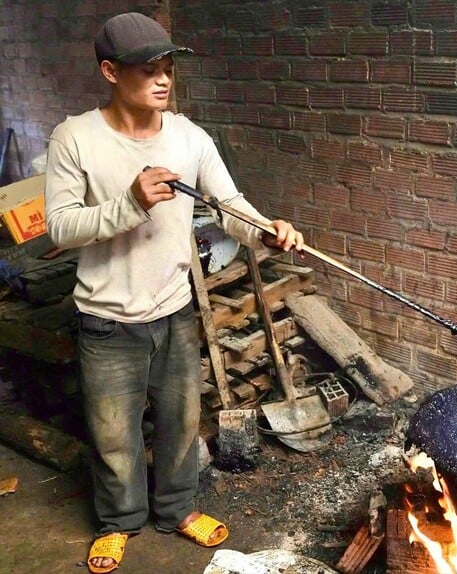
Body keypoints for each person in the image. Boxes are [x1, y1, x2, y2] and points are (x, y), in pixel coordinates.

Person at [44, 12, 304, 574]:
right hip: (106, 319)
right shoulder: (76, 138)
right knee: (113, 434)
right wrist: (130, 203)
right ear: (111, 72)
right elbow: (60, 227)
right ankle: (120, 521)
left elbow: (230, 207)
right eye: (147, 71)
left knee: (182, 421)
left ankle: (177, 510)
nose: (163, 80)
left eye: (167, 69)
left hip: (174, 309)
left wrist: (267, 231)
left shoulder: (190, 137)